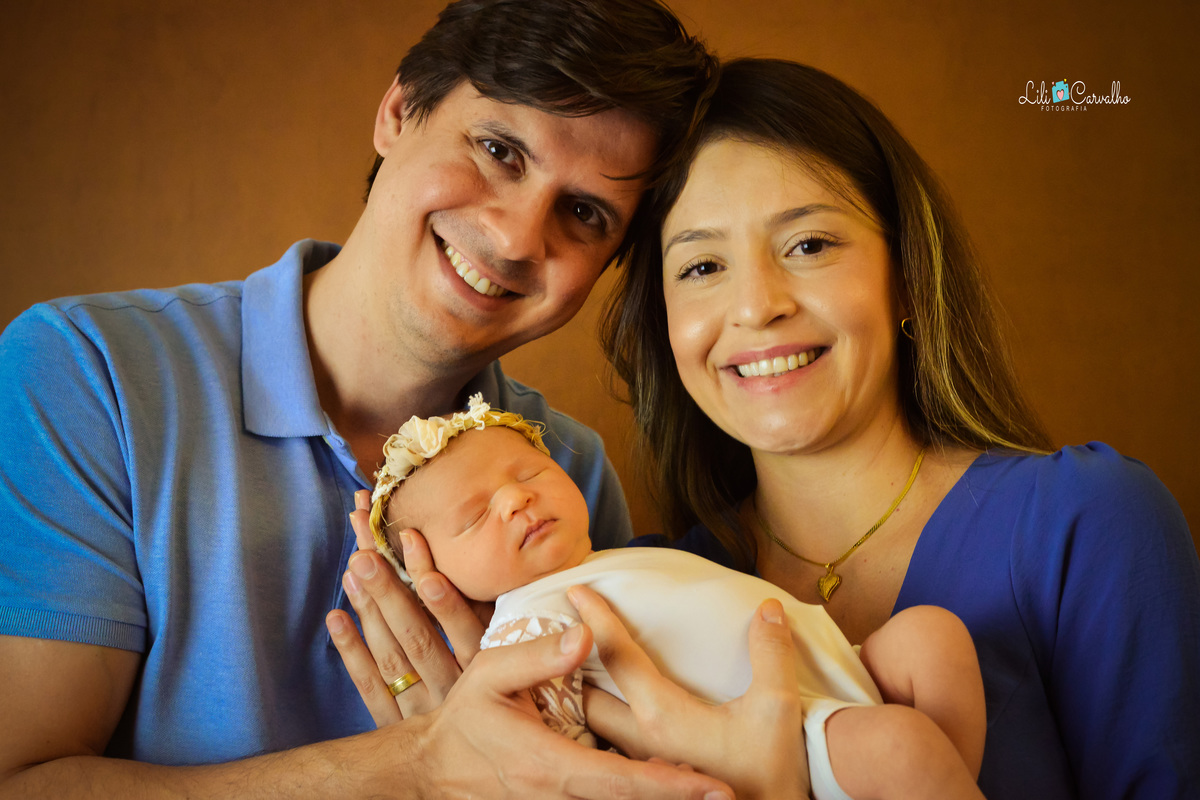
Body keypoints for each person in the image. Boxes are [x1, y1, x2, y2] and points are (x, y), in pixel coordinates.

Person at [0, 2, 730, 797]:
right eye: (499, 150)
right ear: (398, 111)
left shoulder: (570, 476)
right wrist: (423, 763)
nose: (518, 238)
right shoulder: (89, 372)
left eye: (584, 213)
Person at [584, 58, 1200, 799]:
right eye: (702, 266)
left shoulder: (1087, 523)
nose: (755, 306)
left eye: (809, 245)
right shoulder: (632, 596)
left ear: (905, 274)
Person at [358, 392, 987, 800]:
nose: (515, 498)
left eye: (531, 473)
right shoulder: (528, 621)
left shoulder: (619, 557)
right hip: (780, 735)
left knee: (930, 635)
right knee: (902, 746)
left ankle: (945, 778)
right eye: (474, 517)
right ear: (431, 573)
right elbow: (539, 747)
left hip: (833, 667)